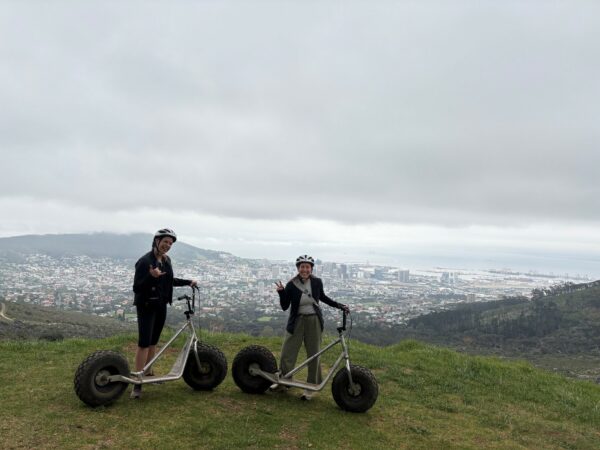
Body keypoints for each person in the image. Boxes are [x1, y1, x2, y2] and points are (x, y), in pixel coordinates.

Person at [130, 228, 197, 399]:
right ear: (157, 241)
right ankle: (137, 381)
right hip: (146, 306)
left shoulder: (166, 261)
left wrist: (188, 282)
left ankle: (149, 372)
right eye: (165, 242)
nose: (167, 245)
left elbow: (169, 280)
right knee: (144, 343)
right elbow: (137, 287)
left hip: (160, 305)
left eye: (170, 243)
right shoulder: (145, 262)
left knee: (153, 341)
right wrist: (151, 276)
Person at [275, 254, 349, 400]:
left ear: (311, 269)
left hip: (313, 320)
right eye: (302, 267)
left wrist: (339, 306)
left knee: (314, 353)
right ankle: (284, 381)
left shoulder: (317, 282)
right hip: (296, 321)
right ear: (298, 268)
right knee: (287, 352)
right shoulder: (292, 284)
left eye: (307, 267)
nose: (305, 269)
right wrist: (282, 293)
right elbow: (285, 306)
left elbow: (322, 297)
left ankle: (311, 387)